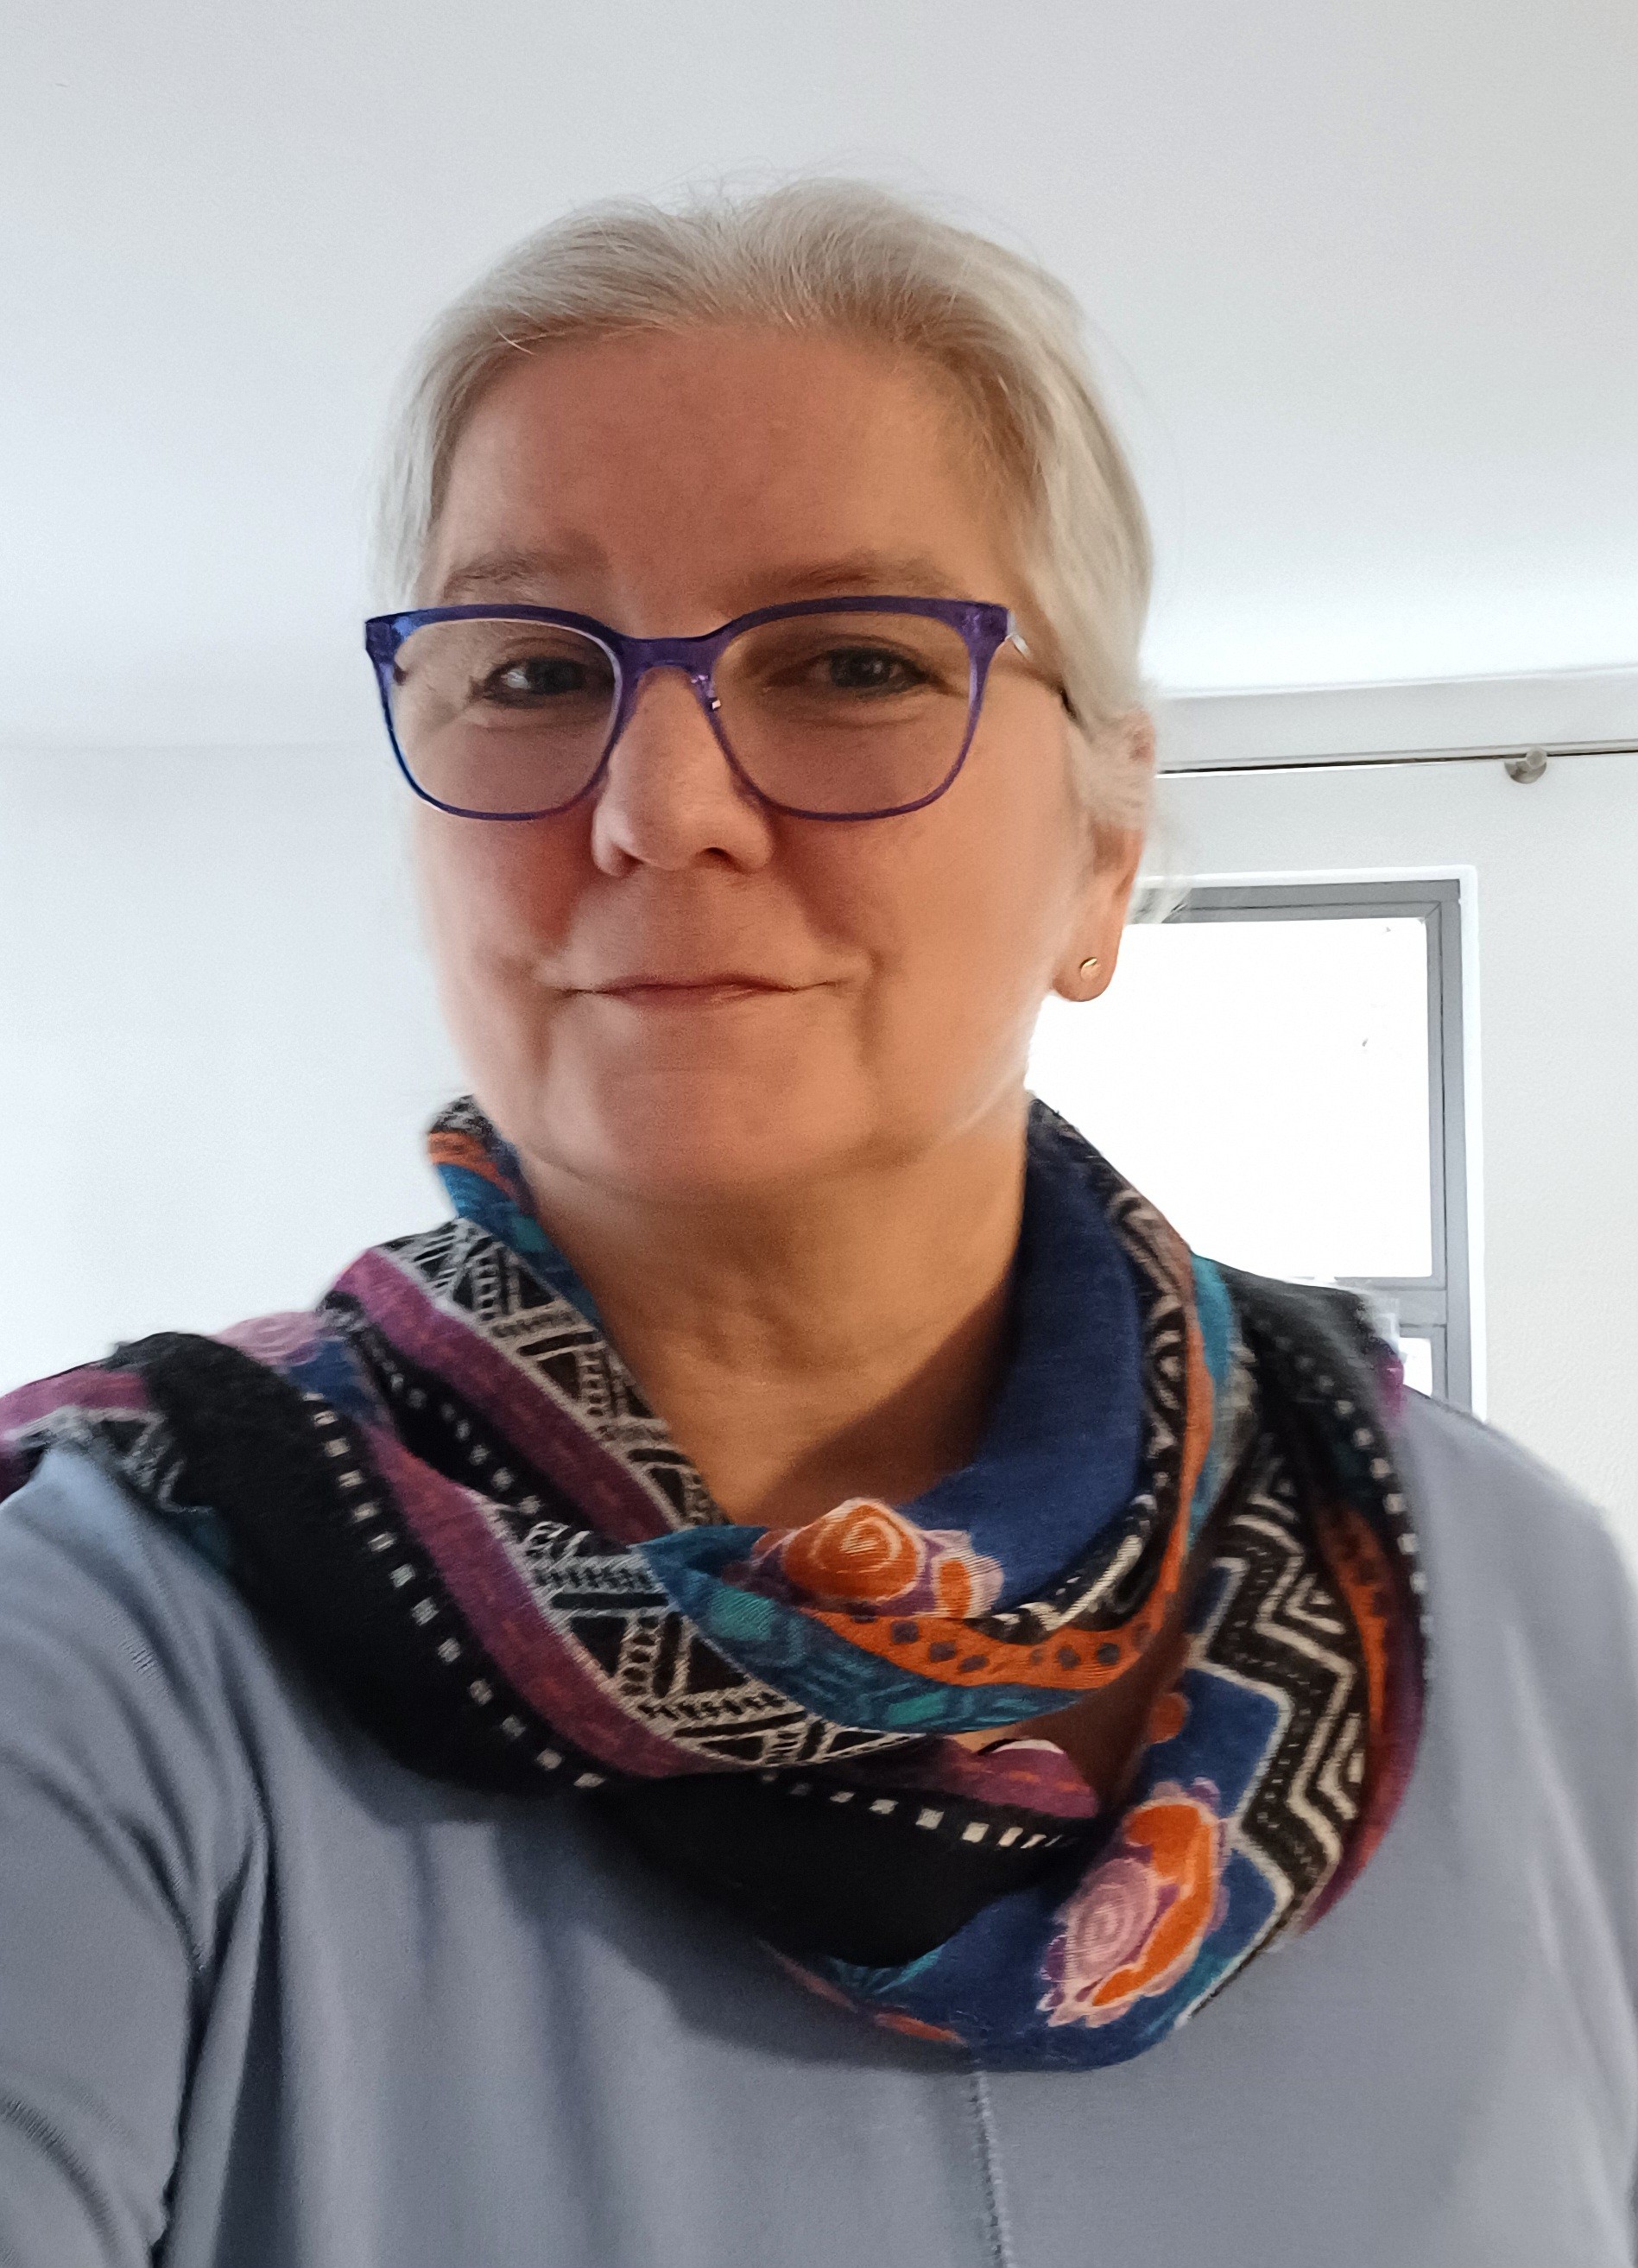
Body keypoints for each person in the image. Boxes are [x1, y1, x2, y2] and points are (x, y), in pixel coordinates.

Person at [2, 181, 1635, 2268]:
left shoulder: (1512, 1600)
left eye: (851, 661)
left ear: (1103, 848)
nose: (656, 806)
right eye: (531, 671)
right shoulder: (103, 1642)